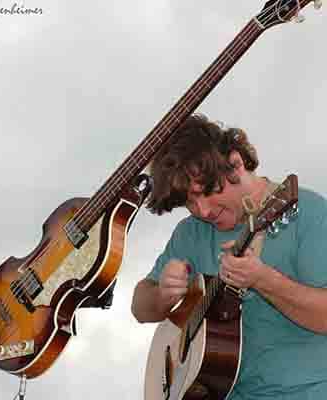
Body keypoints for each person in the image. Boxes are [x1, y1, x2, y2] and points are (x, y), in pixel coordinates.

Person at [131, 114, 327, 399]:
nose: (203, 210)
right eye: (188, 201)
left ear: (235, 163)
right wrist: (162, 293)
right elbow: (140, 307)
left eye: (206, 191)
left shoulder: (307, 213)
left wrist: (263, 280)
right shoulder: (190, 234)